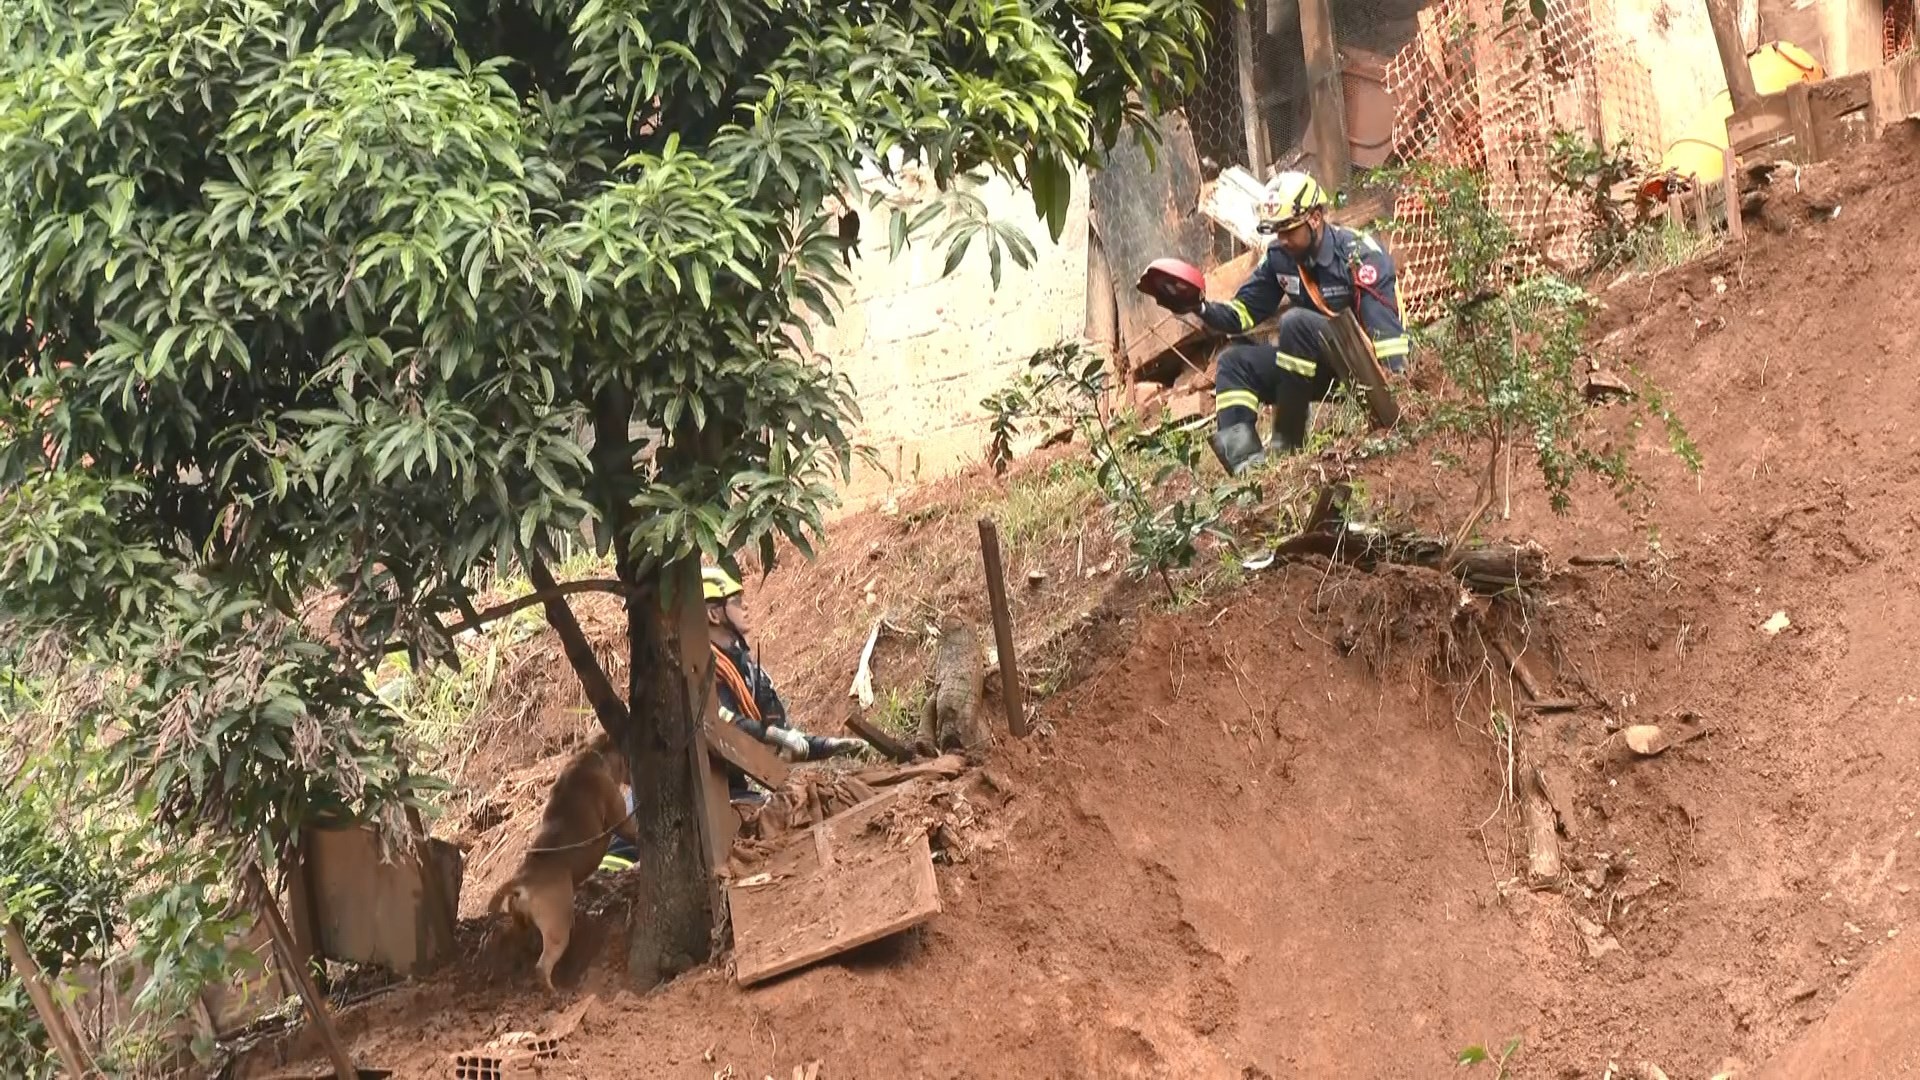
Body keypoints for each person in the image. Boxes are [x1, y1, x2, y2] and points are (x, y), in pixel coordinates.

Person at [600, 564, 866, 874]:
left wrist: (827, 746)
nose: (746, 607)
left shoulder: (750, 672)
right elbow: (722, 723)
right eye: (736, 601)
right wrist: (775, 738)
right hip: (673, 792)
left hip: (729, 787)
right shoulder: (690, 672)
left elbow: (777, 731)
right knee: (623, 856)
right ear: (713, 614)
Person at [1155, 170, 1411, 476]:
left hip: (1364, 366)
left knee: (1296, 322)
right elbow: (1242, 314)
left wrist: (1399, 393)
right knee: (1233, 364)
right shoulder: (1280, 258)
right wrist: (1198, 307)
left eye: (1289, 230)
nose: (1283, 239)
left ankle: (1289, 441)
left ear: (1315, 218)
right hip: (1316, 369)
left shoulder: (1359, 255)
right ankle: (1248, 473)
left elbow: (1386, 335)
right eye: (1277, 231)